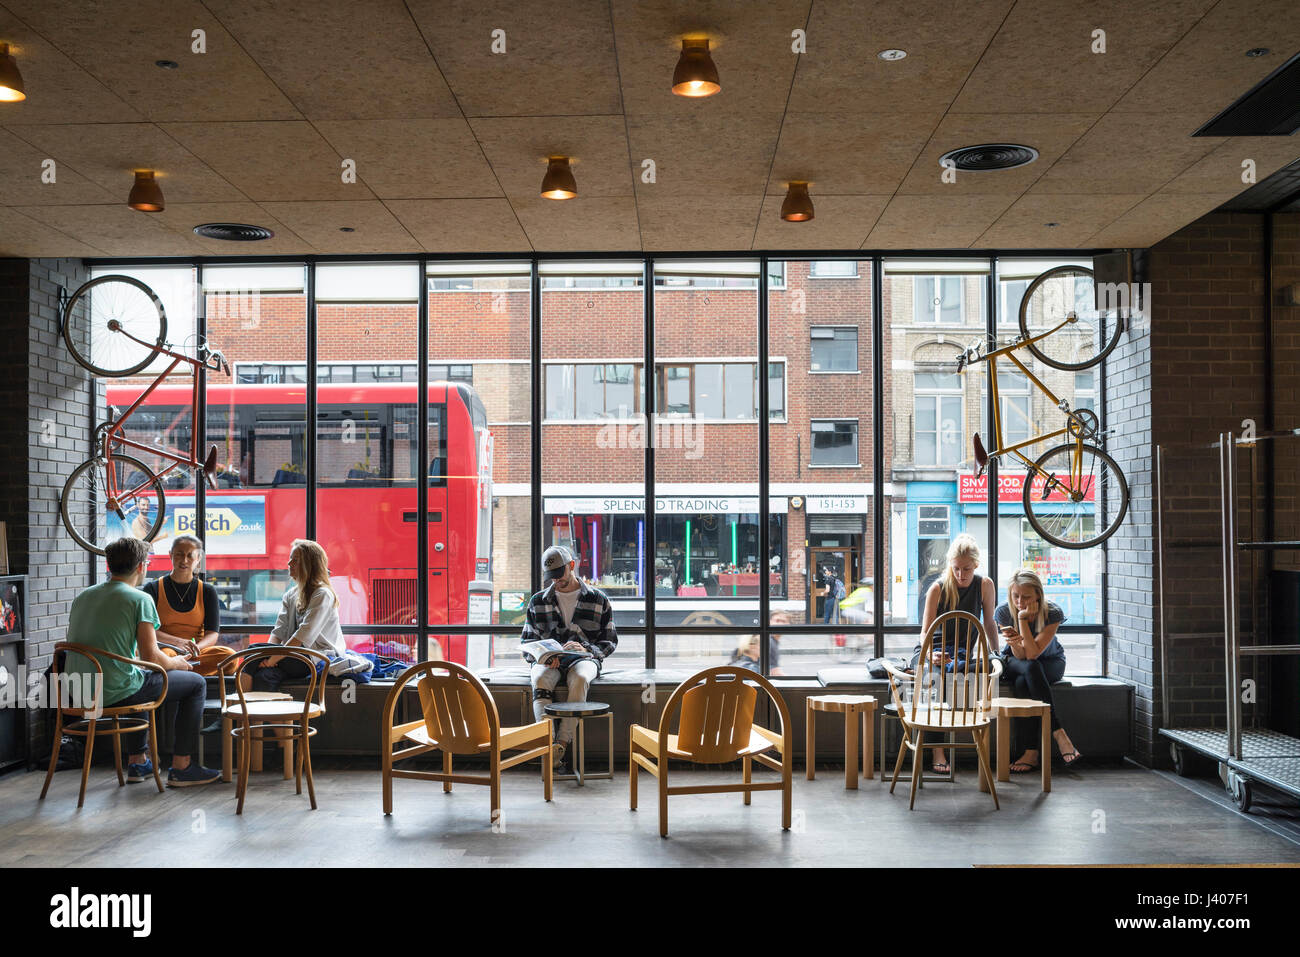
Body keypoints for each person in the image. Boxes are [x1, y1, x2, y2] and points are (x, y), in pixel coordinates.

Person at [63, 537, 220, 787]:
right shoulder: (139, 599)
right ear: (140, 567)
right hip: (114, 692)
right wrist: (178, 663)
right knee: (195, 684)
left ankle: (138, 762)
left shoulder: (83, 596)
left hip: (78, 691)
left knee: (138, 678)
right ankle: (182, 766)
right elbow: (152, 658)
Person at [520, 545, 618, 776]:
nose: (556, 581)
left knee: (581, 677)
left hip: (584, 659)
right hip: (549, 662)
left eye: (559, 575)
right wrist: (543, 656)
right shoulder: (537, 601)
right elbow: (527, 642)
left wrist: (586, 649)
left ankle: (560, 746)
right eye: (551, 577)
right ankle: (548, 745)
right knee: (540, 678)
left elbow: (610, 640)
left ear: (572, 566)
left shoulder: (598, 599)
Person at [911, 534, 997, 774]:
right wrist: (930, 655)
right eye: (956, 568)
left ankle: (973, 737)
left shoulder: (984, 585)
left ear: (976, 565)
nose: (961, 574)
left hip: (960, 654)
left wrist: (996, 651)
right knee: (934, 679)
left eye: (967, 569)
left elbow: (989, 623)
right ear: (950, 565)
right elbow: (924, 632)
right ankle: (938, 751)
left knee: (986, 669)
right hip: (931, 649)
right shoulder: (937, 588)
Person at [995, 570, 1082, 771]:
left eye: (1026, 597)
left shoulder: (1052, 612)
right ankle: (1059, 733)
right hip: (1016, 661)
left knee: (1023, 682)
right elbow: (1022, 656)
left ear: (1038, 595)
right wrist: (1019, 632)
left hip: (1051, 662)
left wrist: (1023, 621)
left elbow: (1034, 653)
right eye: (1015, 596)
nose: (1019, 601)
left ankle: (1031, 752)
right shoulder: (1004, 612)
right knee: (1028, 670)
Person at [242, 539, 345, 693]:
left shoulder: (322, 594)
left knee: (252, 651)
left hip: (316, 657)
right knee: (264, 675)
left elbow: (303, 634)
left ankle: (241, 716)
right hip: (292, 656)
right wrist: (268, 657)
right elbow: (279, 632)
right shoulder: (291, 595)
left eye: (295, 560)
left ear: (309, 565)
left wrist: (272, 658)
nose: (289, 563)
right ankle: (267, 716)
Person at [141, 535, 236, 676]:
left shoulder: (207, 591)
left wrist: (196, 648)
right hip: (166, 649)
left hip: (196, 652)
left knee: (230, 657)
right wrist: (178, 642)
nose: (184, 560)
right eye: (179, 555)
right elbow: (149, 632)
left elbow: (212, 634)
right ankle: (186, 671)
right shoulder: (153, 588)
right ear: (170, 555)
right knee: (166, 657)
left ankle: (180, 672)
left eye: (190, 556)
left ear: (198, 559)